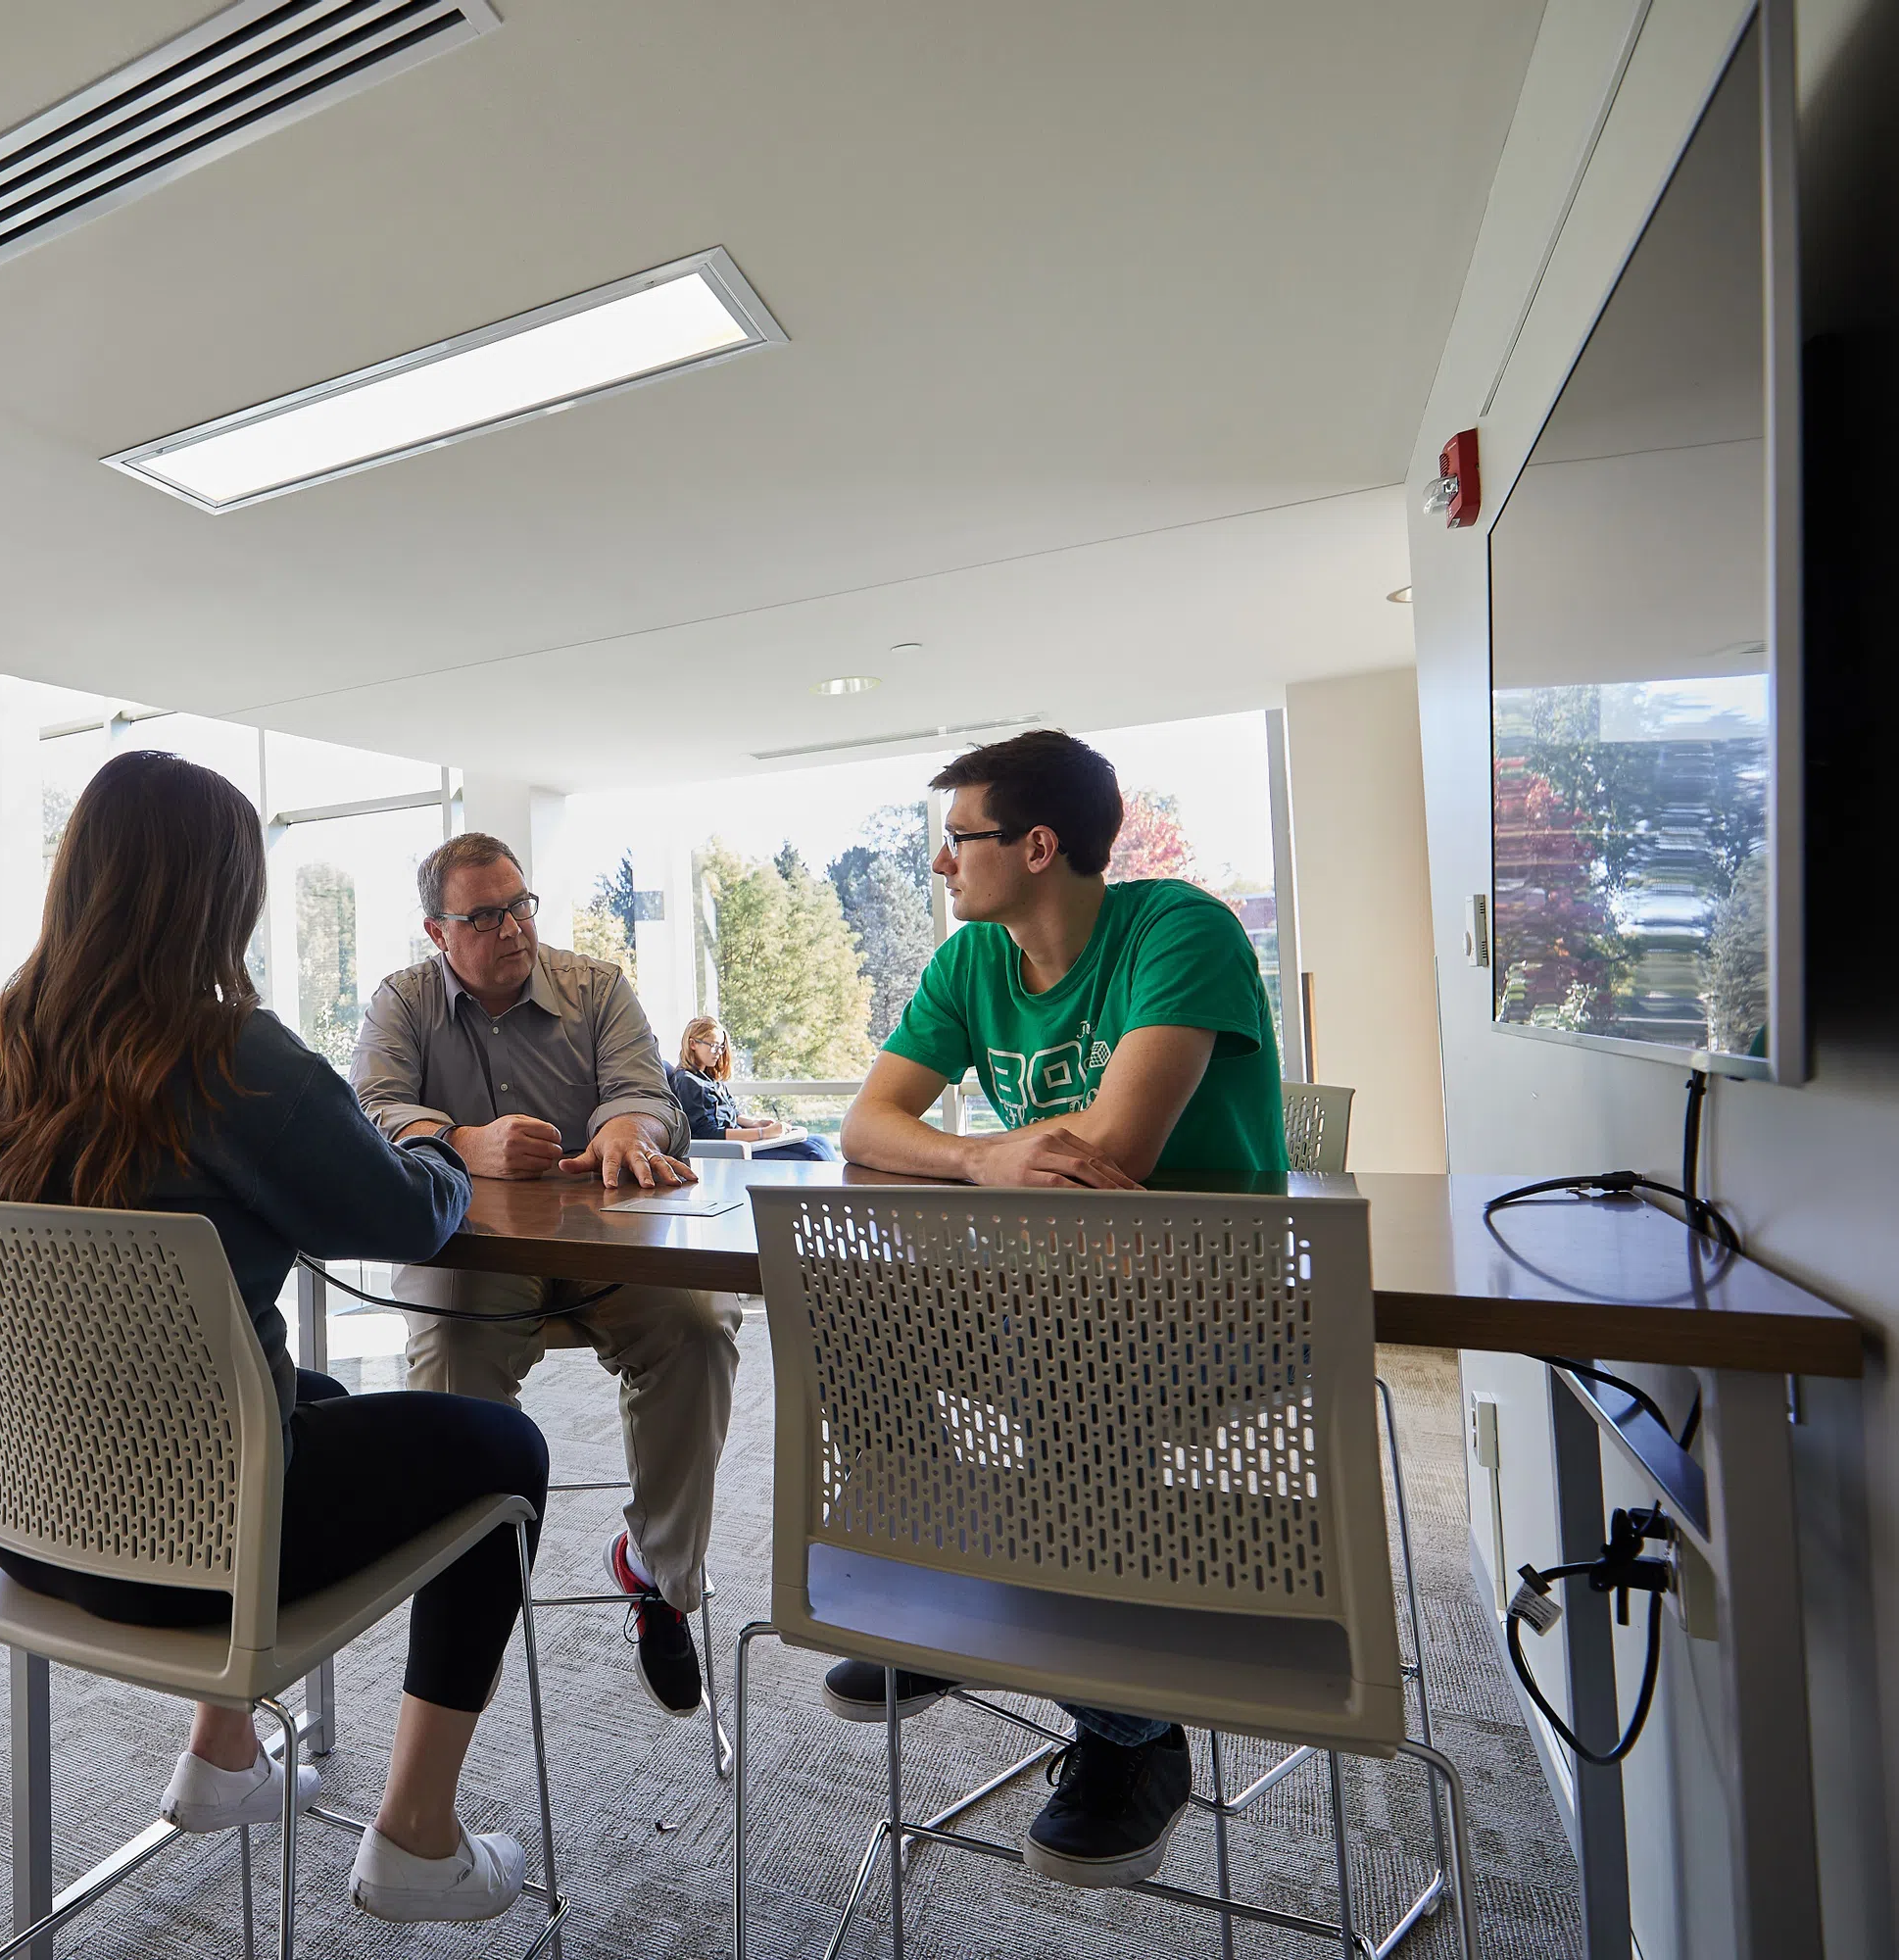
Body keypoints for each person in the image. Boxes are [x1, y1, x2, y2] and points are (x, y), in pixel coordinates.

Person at [0, 753, 552, 1927]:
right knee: (505, 1447)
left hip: (29, 1524)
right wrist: (448, 1147)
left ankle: (222, 1756)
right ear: (220, 893)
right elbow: (404, 1211)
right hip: (199, 1545)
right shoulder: (230, 1055)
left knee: (299, 1384)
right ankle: (418, 1836)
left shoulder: (1, 1053)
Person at [830, 729, 1289, 1891]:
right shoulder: (969, 962)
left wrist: (987, 1160)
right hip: (1041, 1295)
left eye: (958, 838)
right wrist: (983, 1161)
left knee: (1063, 1350)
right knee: (851, 1302)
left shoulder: (1179, 929)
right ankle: (937, 1600)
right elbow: (867, 1125)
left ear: (1038, 846)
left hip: (1216, 1304)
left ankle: (1135, 1734)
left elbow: (1109, 1157)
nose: (940, 864)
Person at [350, 832, 739, 1718]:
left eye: (520, 905)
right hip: (477, 1259)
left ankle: (658, 1574)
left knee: (699, 1325)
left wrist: (625, 1131)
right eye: (483, 916)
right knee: (449, 1358)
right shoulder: (402, 1003)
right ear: (436, 931)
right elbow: (370, 1112)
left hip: (612, 1253)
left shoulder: (597, 985)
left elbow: (650, 1092)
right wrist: (460, 1141)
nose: (512, 928)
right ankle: (466, 1613)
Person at [668, 1015, 837, 1161]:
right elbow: (708, 1133)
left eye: (720, 1046)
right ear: (692, 1044)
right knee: (814, 1152)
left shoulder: (708, 1079)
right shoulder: (687, 1082)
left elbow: (732, 1113)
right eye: (712, 1045)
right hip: (732, 1150)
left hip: (742, 1140)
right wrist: (763, 1133)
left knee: (821, 1142)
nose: (718, 1052)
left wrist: (756, 1123)